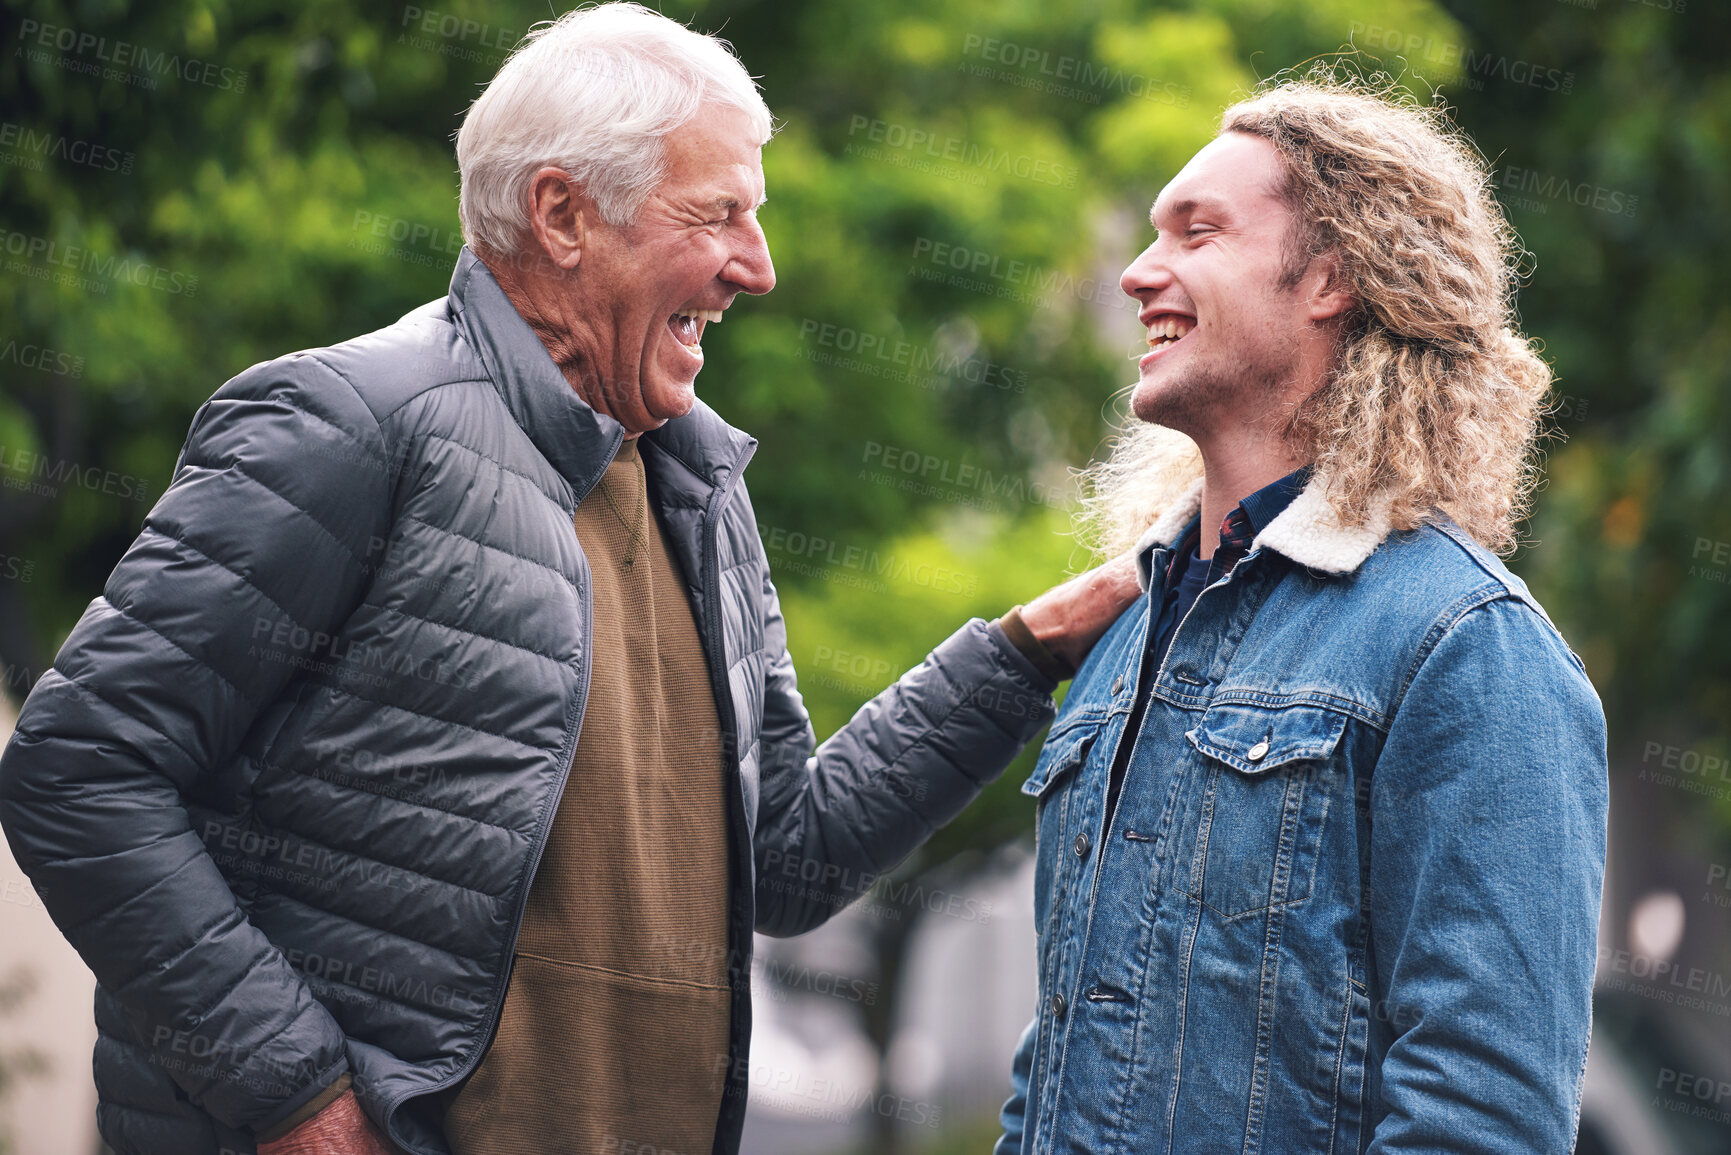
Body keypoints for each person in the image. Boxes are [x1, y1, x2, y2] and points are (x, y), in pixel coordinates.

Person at [0, 6, 1138, 1155]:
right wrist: (297, 1100)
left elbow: (784, 863)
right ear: (561, 215)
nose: (759, 266)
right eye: (720, 215)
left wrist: (1020, 655)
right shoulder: (347, 424)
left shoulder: (702, 489)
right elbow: (82, 771)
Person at [996, 74, 1608, 1154]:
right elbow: (1056, 1063)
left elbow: (1480, 1120)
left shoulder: (1465, 649)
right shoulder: (1129, 637)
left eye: (1198, 232)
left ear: (1330, 277)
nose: (1142, 274)